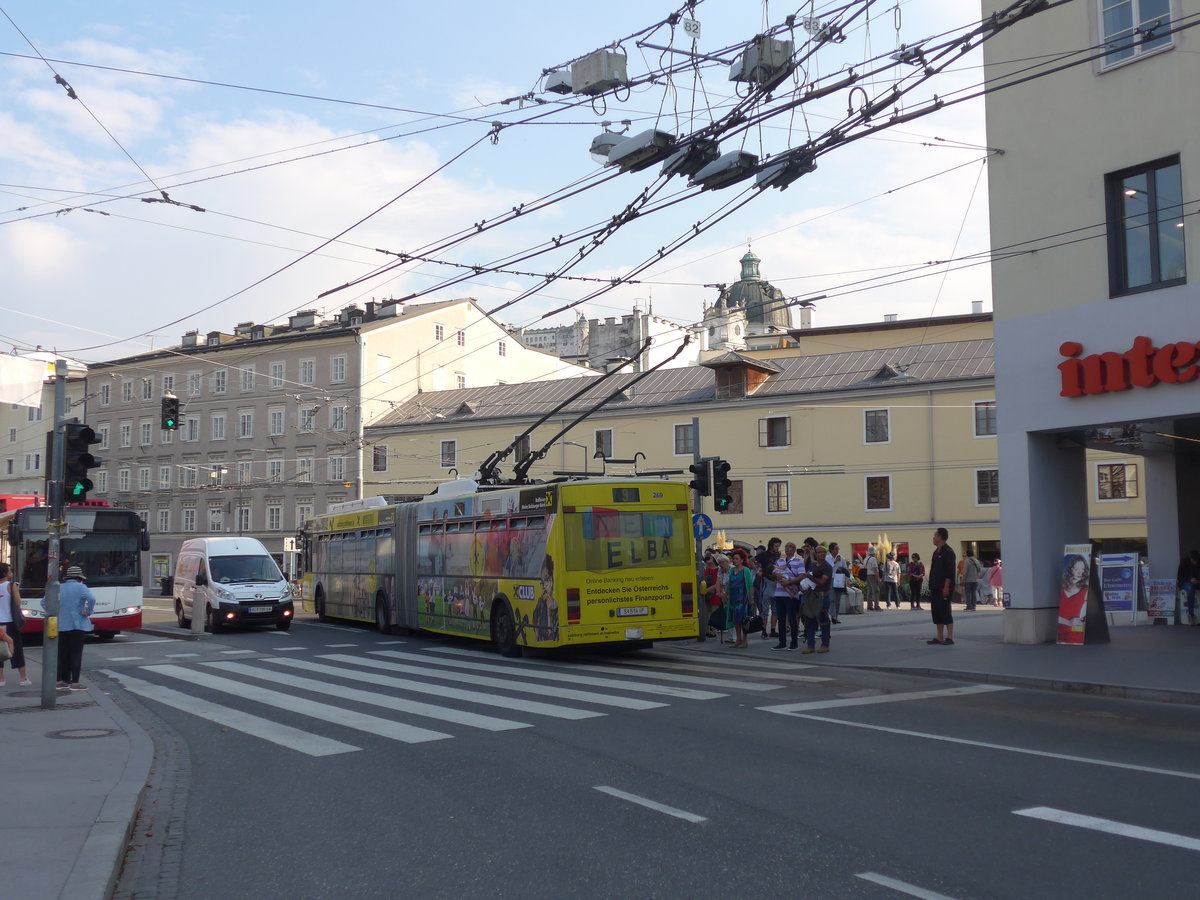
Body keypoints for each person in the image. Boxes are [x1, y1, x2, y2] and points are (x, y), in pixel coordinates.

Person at [57, 565, 96, 691]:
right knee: (76, 654)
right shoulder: (81, 587)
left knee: (62, 654)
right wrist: (88, 612)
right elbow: (91, 598)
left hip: (61, 625)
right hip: (76, 625)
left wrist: (55, 612)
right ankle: (75, 683)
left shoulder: (58, 587)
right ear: (80, 578)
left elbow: (44, 602)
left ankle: (60, 681)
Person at [0, 563, 31, 687]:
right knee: (17, 649)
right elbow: (18, 602)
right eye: (10, 571)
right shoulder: (12, 585)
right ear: (4, 573)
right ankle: (23, 678)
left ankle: (1, 679)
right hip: (10, 622)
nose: (11, 573)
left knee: (0, 650)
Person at [771, 541, 805, 651]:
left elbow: (801, 576)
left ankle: (794, 643)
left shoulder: (799, 562)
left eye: (790, 546)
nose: (788, 548)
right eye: (786, 546)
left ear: (794, 549)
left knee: (792, 618)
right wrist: (775, 575)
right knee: (781, 619)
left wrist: (789, 583)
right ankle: (782, 642)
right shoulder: (780, 561)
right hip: (779, 593)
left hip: (791, 594)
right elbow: (773, 573)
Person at [800, 545, 833, 654]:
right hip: (811, 596)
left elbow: (822, 581)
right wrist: (803, 585)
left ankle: (825, 645)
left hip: (822, 596)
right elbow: (806, 575)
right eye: (819, 552)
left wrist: (808, 577)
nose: (822, 554)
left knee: (823, 621)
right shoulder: (813, 565)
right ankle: (810, 645)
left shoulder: (827, 567)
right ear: (816, 554)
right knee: (809, 621)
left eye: (824, 552)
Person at [927, 528, 956, 645]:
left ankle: (949, 637)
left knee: (945, 611)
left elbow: (950, 572)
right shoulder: (936, 552)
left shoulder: (948, 552)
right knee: (937, 612)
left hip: (944, 587)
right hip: (935, 587)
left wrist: (946, 587)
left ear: (940, 537)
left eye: (935, 536)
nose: (933, 538)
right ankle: (939, 637)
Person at [724, 550, 756, 649]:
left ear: (742, 560)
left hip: (743, 599)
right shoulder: (731, 570)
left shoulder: (746, 570)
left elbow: (750, 585)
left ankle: (744, 640)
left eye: (737, 558)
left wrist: (751, 598)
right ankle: (738, 640)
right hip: (733, 598)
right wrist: (726, 594)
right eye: (733, 558)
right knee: (735, 620)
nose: (734, 560)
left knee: (743, 620)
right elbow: (729, 584)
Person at [1057, 554, 1089, 644]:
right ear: (1070, 570)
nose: (1080, 572)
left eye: (1082, 569)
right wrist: (1067, 621)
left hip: (1075, 636)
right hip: (1058, 635)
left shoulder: (1085, 591)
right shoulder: (1060, 590)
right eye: (1076, 569)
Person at [755, 538, 781, 638]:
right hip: (767, 582)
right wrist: (758, 570)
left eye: (778, 546)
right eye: (776, 546)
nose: (777, 548)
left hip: (776, 582)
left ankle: (773, 630)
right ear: (771, 545)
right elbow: (752, 560)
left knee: (775, 609)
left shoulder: (777, 555)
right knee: (765, 608)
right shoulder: (764, 554)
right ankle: (764, 630)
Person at [1177, 550, 1200, 625]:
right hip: (1185, 583)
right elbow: (1179, 577)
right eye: (1194, 560)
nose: (1195, 562)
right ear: (1190, 558)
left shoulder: (1198, 562)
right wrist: (1189, 580)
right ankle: (1191, 614)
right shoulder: (1184, 563)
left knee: (1192, 587)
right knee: (1190, 588)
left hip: (1196, 582)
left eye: (1197, 560)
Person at [828, 542, 849, 624]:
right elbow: (828, 568)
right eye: (836, 548)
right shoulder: (827, 558)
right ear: (831, 550)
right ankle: (832, 616)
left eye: (838, 549)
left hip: (839, 579)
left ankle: (836, 616)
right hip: (831, 579)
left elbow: (845, 569)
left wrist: (846, 578)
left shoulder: (842, 558)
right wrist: (835, 562)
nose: (837, 550)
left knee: (838, 599)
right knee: (832, 598)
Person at [864, 547, 881, 611]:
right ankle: (876, 606)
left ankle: (869, 605)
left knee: (869, 591)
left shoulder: (866, 558)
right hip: (873, 575)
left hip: (868, 575)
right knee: (876, 590)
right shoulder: (873, 559)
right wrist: (878, 578)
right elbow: (875, 569)